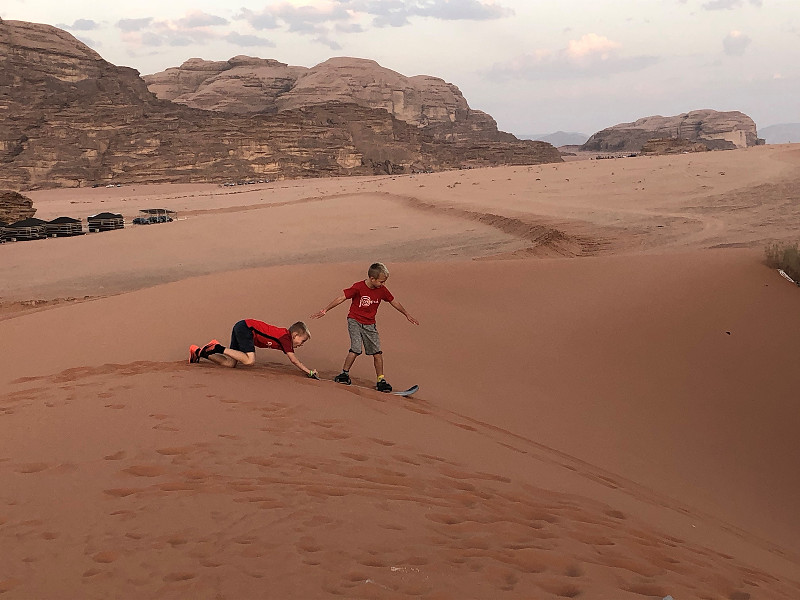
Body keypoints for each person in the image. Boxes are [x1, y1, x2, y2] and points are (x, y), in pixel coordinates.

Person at [311, 262, 418, 392]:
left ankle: (381, 380)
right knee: (356, 349)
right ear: (372, 279)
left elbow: (393, 301)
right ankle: (344, 374)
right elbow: (341, 298)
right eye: (381, 281)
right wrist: (325, 310)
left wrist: (406, 314)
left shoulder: (382, 290)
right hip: (354, 320)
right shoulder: (358, 287)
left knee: (377, 353)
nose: (383, 284)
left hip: (370, 324)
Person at [190, 319, 318, 378]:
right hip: (246, 329)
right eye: (302, 340)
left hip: (241, 327)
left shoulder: (285, 337)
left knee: (230, 364)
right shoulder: (285, 337)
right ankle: (217, 347)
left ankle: (198, 351)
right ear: (294, 335)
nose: (302, 344)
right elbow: (294, 360)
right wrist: (309, 372)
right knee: (249, 361)